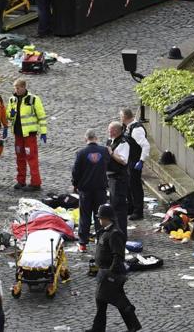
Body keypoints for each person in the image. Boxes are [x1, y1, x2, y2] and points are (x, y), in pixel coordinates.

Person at [85, 204, 141, 332]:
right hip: (105, 272)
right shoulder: (107, 231)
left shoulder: (114, 234)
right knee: (103, 301)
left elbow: (118, 256)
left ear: (106, 218)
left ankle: (132, 326)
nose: (99, 220)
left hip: (110, 274)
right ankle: (99, 328)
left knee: (118, 302)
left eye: (100, 218)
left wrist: (110, 273)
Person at [71, 129, 110, 253]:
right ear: (96, 138)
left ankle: (83, 243)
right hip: (100, 189)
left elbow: (76, 172)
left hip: (86, 190)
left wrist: (75, 184)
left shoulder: (81, 153)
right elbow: (108, 165)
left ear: (85, 139)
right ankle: (101, 240)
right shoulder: (104, 151)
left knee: (85, 216)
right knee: (101, 215)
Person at [6, 78, 47, 192]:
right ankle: (21, 181)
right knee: (19, 158)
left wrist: (43, 131)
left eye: (18, 88)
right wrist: (10, 114)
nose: (16, 90)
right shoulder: (12, 100)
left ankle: (35, 182)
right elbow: (8, 115)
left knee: (32, 158)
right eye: (15, 88)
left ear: (24, 87)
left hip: (29, 135)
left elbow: (41, 116)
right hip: (18, 134)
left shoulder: (33, 99)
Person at [120, 108, 150, 221]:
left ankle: (138, 211)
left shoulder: (136, 129)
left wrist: (141, 161)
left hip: (135, 161)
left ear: (124, 117)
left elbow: (146, 145)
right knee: (128, 186)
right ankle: (131, 207)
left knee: (135, 187)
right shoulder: (128, 127)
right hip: (128, 161)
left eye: (121, 117)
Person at [106, 121, 130, 239]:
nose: (108, 132)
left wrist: (111, 153)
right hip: (111, 177)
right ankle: (114, 231)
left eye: (110, 130)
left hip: (119, 179)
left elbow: (123, 160)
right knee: (113, 205)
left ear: (116, 131)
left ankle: (121, 234)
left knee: (119, 207)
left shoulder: (123, 143)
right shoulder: (111, 141)